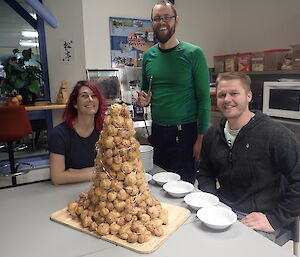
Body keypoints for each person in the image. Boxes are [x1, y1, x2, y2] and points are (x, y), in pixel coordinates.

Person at [196, 72, 300, 241]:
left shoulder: (276, 135)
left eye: (234, 93)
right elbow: (205, 172)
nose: (227, 99)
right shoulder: (212, 135)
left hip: (258, 218)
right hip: (222, 209)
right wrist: (212, 201)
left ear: (249, 96)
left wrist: (275, 219)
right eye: (222, 95)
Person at [137, 0, 211, 183]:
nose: (162, 22)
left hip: (185, 132)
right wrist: (143, 101)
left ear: (176, 20)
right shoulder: (148, 56)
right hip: (158, 131)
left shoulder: (193, 53)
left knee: (182, 187)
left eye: (166, 17)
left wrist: (201, 139)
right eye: (156, 18)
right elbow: (145, 93)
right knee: (158, 181)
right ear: (152, 23)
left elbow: (204, 100)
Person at [49, 80, 107, 185]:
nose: (90, 100)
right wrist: (98, 171)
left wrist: (73, 173)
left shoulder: (105, 131)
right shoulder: (59, 134)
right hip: (68, 192)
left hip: (101, 188)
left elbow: (114, 166)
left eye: (94, 96)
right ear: (75, 103)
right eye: (84, 96)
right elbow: (57, 177)